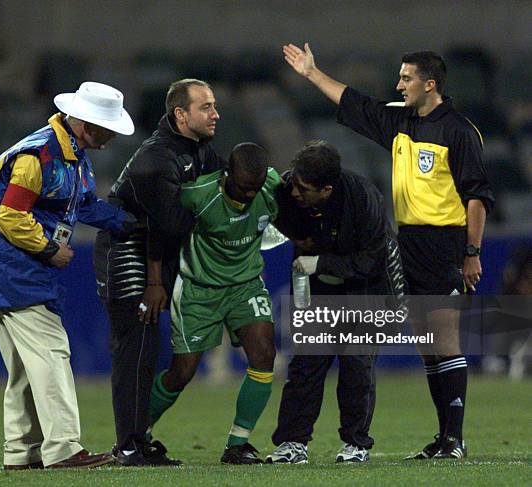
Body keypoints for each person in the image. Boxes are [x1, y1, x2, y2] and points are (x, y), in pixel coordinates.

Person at [283, 43, 494, 459]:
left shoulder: (459, 131)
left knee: (445, 340)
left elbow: (477, 197)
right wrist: (311, 73)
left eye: (406, 78)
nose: (398, 83)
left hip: (445, 243)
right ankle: (444, 438)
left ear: (429, 84)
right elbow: (354, 102)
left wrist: (472, 251)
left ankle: (455, 440)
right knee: (429, 346)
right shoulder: (401, 121)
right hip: (408, 243)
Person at [0, 82, 137, 469]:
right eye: (108, 128)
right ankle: (63, 449)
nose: (110, 137)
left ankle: (21, 453)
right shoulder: (38, 155)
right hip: (12, 267)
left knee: (25, 367)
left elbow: (84, 206)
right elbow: (10, 216)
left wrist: (130, 224)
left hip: (3, 266)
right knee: (52, 352)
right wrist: (48, 248)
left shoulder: (69, 155)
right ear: (87, 123)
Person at [93, 79, 225, 466]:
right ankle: (129, 445)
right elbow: (167, 224)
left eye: (214, 105)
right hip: (127, 254)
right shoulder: (157, 159)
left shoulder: (198, 152)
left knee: (147, 351)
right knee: (136, 350)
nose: (215, 114)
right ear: (180, 115)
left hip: (155, 255)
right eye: (205, 107)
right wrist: (153, 282)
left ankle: (138, 438)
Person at [264, 140, 401, 464]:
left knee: (357, 366)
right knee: (306, 366)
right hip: (317, 288)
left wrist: (320, 261)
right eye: (294, 182)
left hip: (365, 290)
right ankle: (292, 444)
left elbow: (369, 263)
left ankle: (356, 444)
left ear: (326, 189)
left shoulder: (365, 201)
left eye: (303, 188)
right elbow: (277, 213)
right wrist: (297, 238)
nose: (295, 192)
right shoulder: (287, 190)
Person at [147, 143, 279, 464]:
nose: (250, 195)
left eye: (255, 188)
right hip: (199, 289)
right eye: (244, 187)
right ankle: (137, 432)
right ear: (227, 174)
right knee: (182, 373)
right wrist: (154, 282)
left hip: (245, 284)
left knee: (264, 354)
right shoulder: (198, 195)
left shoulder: (273, 187)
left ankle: (238, 444)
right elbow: (158, 231)